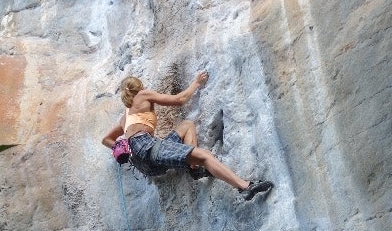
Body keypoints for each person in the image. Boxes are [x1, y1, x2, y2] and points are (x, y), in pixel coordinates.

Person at [101, 70, 273, 200]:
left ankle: (195, 169)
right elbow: (180, 100)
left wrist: (121, 147)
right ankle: (245, 187)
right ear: (138, 88)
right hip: (148, 149)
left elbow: (106, 140)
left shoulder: (125, 118)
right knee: (205, 156)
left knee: (187, 125)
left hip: (146, 164)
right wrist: (196, 83)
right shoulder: (143, 95)